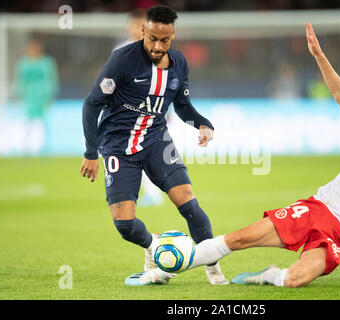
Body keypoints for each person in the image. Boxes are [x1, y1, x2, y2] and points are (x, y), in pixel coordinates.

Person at [183, 23, 340, 288]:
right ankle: (173, 263)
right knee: (238, 239)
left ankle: (270, 275)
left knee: (294, 281)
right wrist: (318, 55)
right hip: (315, 209)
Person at [80, 5, 228, 285]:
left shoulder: (180, 63)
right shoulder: (122, 60)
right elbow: (92, 104)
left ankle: (212, 266)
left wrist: (203, 124)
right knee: (124, 224)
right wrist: (91, 153)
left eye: (165, 40)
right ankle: (153, 245)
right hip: (118, 148)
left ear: (173, 35)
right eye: (153, 39)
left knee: (188, 201)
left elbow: (182, 105)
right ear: (143, 31)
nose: (158, 46)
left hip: (157, 141)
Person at [114, 8, 166, 208]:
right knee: (132, 152)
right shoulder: (120, 49)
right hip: (126, 111)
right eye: (133, 25)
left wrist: (165, 109)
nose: (135, 29)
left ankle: (153, 193)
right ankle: (146, 193)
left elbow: (164, 81)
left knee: (144, 151)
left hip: (150, 109)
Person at [14, 38, 58, 156]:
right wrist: (20, 95)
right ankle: (25, 149)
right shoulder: (23, 64)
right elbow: (20, 81)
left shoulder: (47, 63)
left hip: (42, 98)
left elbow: (51, 80)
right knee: (26, 124)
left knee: (45, 124)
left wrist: (49, 96)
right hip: (29, 98)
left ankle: (46, 149)